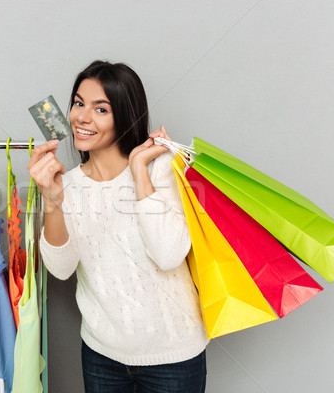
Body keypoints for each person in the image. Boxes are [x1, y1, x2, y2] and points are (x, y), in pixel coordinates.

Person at [28, 60, 209, 393]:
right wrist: (52, 200)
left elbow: (168, 254)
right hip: (102, 357)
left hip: (174, 356)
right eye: (79, 103)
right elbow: (61, 269)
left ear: (124, 116)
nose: (82, 117)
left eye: (101, 109)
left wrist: (139, 168)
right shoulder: (63, 184)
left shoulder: (161, 167)